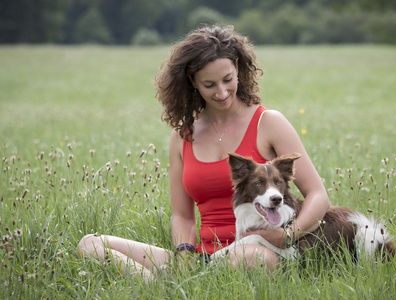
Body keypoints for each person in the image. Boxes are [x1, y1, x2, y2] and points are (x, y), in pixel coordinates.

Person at [77, 25, 330, 280]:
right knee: (90, 244)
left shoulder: (269, 122)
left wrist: (288, 235)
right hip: (204, 256)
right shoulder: (182, 136)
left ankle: (180, 283)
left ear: (238, 68)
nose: (221, 92)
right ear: (192, 82)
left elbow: (318, 196)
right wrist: (185, 254)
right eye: (209, 84)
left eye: (227, 79)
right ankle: (155, 284)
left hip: (261, 251)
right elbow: (182, 216)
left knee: (250, 258)